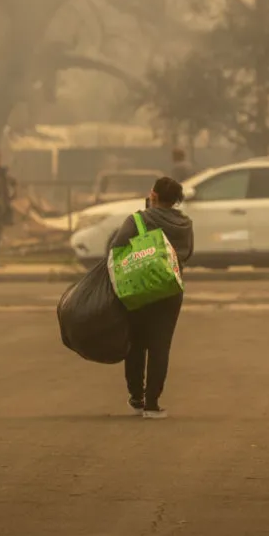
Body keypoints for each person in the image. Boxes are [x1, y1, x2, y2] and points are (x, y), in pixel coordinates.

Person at [109, 177, 194, 419]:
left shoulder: (139, 219)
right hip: (170, 289)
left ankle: (136, 398)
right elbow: (188, 254)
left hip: (139, 288)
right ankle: (152, 404)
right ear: (177, 200)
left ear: (153, 195)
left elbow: (116, 248)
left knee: (136, 344)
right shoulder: (186, 224)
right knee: (160, 346)